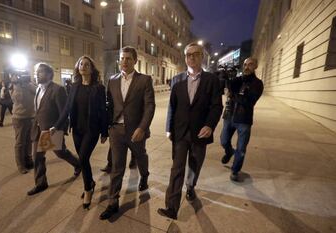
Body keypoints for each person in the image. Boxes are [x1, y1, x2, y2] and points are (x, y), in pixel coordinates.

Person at [157, 42, 223, 220]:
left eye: (196, 54)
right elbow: (172, 106)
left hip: (200, 132)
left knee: (195, 165)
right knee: (176, 168)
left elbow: (216, 106)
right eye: (189, 55)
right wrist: (168, 128)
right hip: (180, 132)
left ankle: (191, 186)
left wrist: (209, 125)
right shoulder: (177, 79)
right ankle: (172, 207)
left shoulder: (211, 80)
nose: (192, 57)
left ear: (201, 57)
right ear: (185, 58)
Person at [99, 46, 155, 220]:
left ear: (135, 61)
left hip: (135, 130)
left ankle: (144, 176)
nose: (124, 61)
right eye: (122, 58)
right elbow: (109, 105)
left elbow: (149, 106)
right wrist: (106, 128)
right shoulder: (112, 80)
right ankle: (112, 202)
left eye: (128, 59)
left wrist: (142, 128)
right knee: (117, 167)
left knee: (140, 156)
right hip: (116, 130)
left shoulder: (144, 80)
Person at [27, 63, 81, 196]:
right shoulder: (38, 89)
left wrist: (59, 129)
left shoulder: (58, 89)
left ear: (49, 74)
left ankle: (78, 164)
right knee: (37, 157)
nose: (37, 75)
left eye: (40, 72)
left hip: (51, 129)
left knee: (60, 153)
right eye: (36, 72)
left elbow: (64, 112)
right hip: (38, 129)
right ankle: (41, 183)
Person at [66, 56, 108, 209]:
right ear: (78, 67)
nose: (83, 66)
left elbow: (103, 111)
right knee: (84, 161)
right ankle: (90, 182)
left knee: (82, 157)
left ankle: (88, 189)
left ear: (92, 69)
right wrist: (60, 125)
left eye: (87, 64)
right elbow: (68, 108)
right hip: (77, 129)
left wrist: (104, 132)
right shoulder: (74, 86)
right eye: (81, 64)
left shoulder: (98, 88)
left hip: (92, 129)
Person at [220, 57, 264, 182]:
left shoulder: (257, 83)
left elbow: (249, 101)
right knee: (223, 141)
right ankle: (229, 152)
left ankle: (235, 170)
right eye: (245, 64)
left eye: (250, 64)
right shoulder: (238, 80)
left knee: (241, 148)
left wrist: (233, 95)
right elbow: (226, 85)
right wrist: (225, 77)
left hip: (244, 119)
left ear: (255, 66)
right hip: (229, 116)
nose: (246, 67)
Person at [9, 73, 36, 174]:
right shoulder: (14, 87)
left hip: (31, 117)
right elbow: (18, 99)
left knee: (29, 141)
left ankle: (28, 161)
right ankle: (20, 165)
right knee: (20, 142)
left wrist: (28, 84)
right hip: (19, 118)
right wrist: (17, 84)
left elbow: (38, 92)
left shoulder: (30, 85)